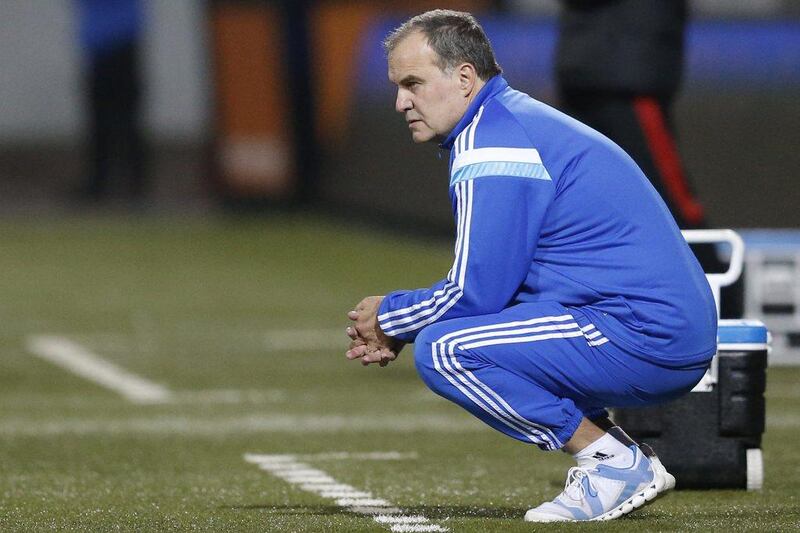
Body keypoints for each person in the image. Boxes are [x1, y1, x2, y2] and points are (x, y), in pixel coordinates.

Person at [345, 9, 716, 523]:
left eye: (413, 83)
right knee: (471, 335)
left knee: (446, 350)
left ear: (464, 77)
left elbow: (473, 293)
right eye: (397, 86)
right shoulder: (511, 120)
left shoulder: (492, 140)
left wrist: (391, 318)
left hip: (643, 332)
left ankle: (612, 461)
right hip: (653, 326)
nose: (400, 101)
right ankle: (613, 454)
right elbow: (498, 290)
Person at [75, 0, 148, 203]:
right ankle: (101, 181)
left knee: (124, 116)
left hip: (119, 41)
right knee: (101, 118)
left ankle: (134, 183)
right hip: (99, 44)